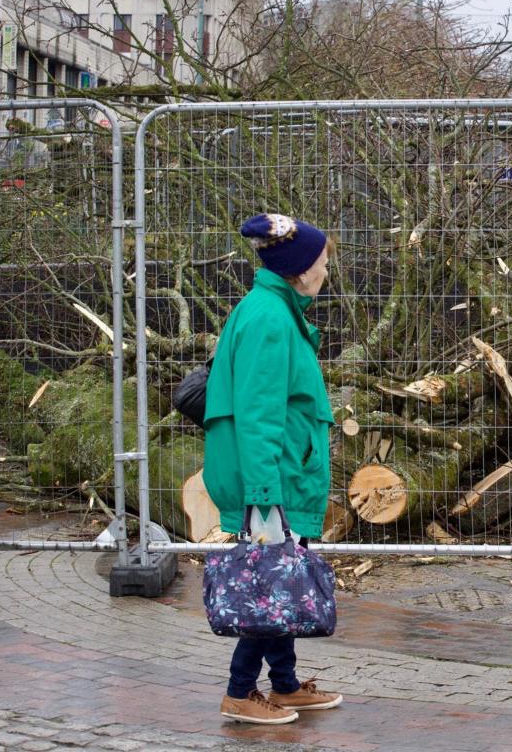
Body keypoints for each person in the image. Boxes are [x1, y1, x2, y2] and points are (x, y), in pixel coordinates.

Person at [203, 213, 344, 724]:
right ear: (300, 269)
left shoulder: (276, 309)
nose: (327, 270)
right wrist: (265, 494)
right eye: (323, 262)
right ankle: (240, 692)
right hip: (273, 481)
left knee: (281, 579)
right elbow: (259, 413)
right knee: (267, 585)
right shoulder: (269, 318)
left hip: (282, 475)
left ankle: (282, 685)